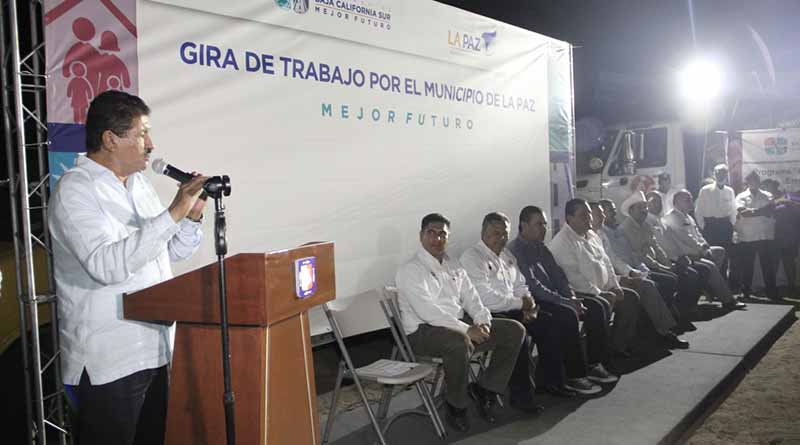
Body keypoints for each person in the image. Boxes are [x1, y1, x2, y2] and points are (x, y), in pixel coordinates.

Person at [48, 91, 208, 445]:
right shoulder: (75, 191)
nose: (151, 145)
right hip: (110, 360)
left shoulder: (140, 186)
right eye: (142, 134)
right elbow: (107, 266)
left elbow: (170, 252)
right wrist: (174, 212)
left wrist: (191, 217)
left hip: (155, 348)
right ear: (110, 139)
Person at [396, 213, 526, 432]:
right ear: (421, 236)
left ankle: (486, 389)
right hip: (423, 332)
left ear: (448, 238)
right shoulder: (410, 270)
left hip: (456, 325)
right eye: (431, 233)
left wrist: (483, 320)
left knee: (514, 330)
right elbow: (428, 312)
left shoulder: (453, 264)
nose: (437, 239)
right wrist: (467, 329)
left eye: (442, 234)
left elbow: (472, 297)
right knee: (459, 342)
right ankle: (456, 405)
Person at [461, 212, 604, 401]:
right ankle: (523, 397)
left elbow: (521, 284)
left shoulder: (506, 255)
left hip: (516, 307)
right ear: (483, 233)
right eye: (496, 233)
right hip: (491, 313)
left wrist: (530, 305)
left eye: (504, 234)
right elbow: (485, 297)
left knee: (549, 323)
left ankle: (552, 382)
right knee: (518, 332)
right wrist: (522, 304)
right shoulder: (472, 257)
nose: (501, 238)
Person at [507, 206, 618, 389]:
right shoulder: (516, 250)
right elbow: (534, 287)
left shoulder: (541, 247)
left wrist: (571, 297)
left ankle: (594, 363)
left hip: (555, 297)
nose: (543, 228)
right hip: (536, 301)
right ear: (524, 225)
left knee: (597, 306)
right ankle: (575, 376)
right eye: (538, 224)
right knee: (567, 314)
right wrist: (566, 302)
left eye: (545, 224)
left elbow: (559, 276)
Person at [548, 198, 641, 357]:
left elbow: (607, 262)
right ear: (569, 219)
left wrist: (615, 286)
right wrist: (600, 293)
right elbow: (574, 278)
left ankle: (617, 346)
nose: (589, 218)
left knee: (631, 297)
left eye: (589, 214)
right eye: (583, 215)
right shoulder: (562, 242)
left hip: (602, 288)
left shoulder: (592, 235)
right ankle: (597, 358)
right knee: (601, 305)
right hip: (579, 293)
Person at [593, 201, 689, 349]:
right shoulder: (602, 233)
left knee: (668, 281)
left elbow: (631, 254)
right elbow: (612, 262)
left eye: (611, 211)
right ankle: (663, 331)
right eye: (605, 212)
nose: (610, 214)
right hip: (615, 276)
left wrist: (641, 270)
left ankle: (657, 326)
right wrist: (629, 273)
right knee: (649, 286)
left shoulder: (613, 231)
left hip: (630, 269)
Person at [621, 191, 702, 329]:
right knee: (670, 279)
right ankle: (665, 320)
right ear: (631, 210)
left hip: (655, 263)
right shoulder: (627, 228)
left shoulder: (645, 225)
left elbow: (656, 248)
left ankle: (678, 314)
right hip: (641, 267)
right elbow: (640, 255)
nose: (644, 210)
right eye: (640, 208)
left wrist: (667, 263)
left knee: (684, 274)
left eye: (645, 207)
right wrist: (662, 267)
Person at [664, 190, 746, 310]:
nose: (691, 202)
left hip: (695, 250)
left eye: (691, 199)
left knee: (719, 251)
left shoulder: (687, 216)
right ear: (676, 202)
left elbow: (698, 234)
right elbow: (686, 238)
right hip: (684, 254)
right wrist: (702, 249)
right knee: (710, 266)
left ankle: (709, 286)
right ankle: (728, 300)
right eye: (687, 200)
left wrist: (705, 245)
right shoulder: (672, 216)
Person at [735, 171, 778, 300]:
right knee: (747, 266)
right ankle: (746, 291)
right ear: (747, 182)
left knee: (768, 266)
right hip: (747, 236)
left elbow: (770, 211)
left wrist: (752, 212)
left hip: (765, 236)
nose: (753, 182)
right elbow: (743, 213)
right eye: (751, 180)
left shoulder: (768, 195)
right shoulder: (740, 196)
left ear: (759, 181)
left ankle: (771, 292)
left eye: (756, 180)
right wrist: (761, 211)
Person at [694, 164, 737, 280]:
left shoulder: (730, 191)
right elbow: (698, 210)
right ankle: (711, 283)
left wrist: (731, 225)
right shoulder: (705, 190)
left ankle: (723, 282)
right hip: (711, 226)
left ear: (726, 175)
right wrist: (704, 226)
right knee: (711, 255)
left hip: (725, 226)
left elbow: (733, 210)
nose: (720, 175)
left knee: (725, 256)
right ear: (714, 174)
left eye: (723, 173)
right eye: (718, 173)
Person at [762, 179, 800, 295]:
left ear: (775, 186)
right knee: (773, 262)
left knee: (789, 262)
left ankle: (792, 286)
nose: (766, 188)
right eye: (765, 186)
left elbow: (797, 207)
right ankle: (771, 288)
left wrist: (786, 201)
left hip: (789, 235)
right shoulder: (765, 198)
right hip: (771, 235)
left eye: (769, 186)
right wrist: (775, 203)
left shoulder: (788, 196)